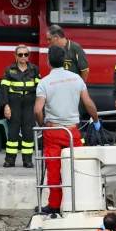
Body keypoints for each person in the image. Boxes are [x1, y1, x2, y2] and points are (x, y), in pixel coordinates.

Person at [34, 45, 99, 216]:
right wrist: (97, 121)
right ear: (65, 61)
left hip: (53, 131)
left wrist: (42, 125)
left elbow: (37, 109)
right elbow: (89, 103)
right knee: (77, 167)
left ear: (48, 62)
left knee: (54, 169)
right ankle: (81, 203)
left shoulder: (44, 82)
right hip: (72, 132)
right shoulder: (76, 79)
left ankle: (54, 205)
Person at [0, 45, 39, 168]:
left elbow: (40, 89)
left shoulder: (34, 69)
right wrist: (6, 105)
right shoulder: (9, 70)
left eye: (25, 54)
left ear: (28, 56)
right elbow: (4, 89)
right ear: (15, 55)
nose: (23, 57)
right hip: (14, 103)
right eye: (20, 54)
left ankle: (27, 160)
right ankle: (10, 159)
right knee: (13, 132)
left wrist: (39, 105)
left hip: (29, 103)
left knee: (28, 132)